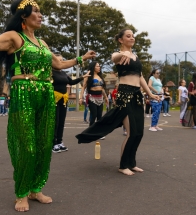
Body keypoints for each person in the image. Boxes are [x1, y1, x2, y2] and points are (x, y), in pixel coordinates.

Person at [0, 0, 96, 212]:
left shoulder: (42, 44)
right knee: (28, 145)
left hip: (45, 94)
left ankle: (36, 188)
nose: (40, 15)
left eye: (40, 11)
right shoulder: (14, 37)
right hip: (24, 92)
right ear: (23, 15)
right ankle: (22, 192)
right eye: (35, 11)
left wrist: (82, 58)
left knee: (44, 144)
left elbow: (59, 64)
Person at [76, 28, 160, 176]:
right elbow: (114, 58)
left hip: (136, 95)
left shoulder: (135, 56)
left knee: (139, 132)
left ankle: (131, 163)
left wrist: (150, 94)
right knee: (132, 132)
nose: (132, 38)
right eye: (128, 36)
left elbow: (140, 77)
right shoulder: (120, 55)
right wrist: (123, 53)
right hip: (124, 94)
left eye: (133, 36)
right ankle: (123, 165)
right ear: (121, 40)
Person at [52, 54, 90, 153]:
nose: (60, 62)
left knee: (61, 121)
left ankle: (60, 142)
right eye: (58, 60)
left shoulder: (63, 73)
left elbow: (72, 82)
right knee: (55, 122)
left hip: (63, 100)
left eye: (62, 60)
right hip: (53, 99)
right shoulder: (49, 72)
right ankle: (53, 143)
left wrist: (83, 77)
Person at [79, 61, 108, 127]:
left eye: (99, 66)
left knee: (99, 116)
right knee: (94, 114)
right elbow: (83, 88)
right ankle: (90, 131)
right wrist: (81, 98)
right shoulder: (89, 76)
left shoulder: (100, 76)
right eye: (97, 66)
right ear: (93, 67)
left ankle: (98, 132)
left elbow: (102, 88)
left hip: (100, 98)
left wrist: (106, 97)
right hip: (92, 97)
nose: (99, 67)